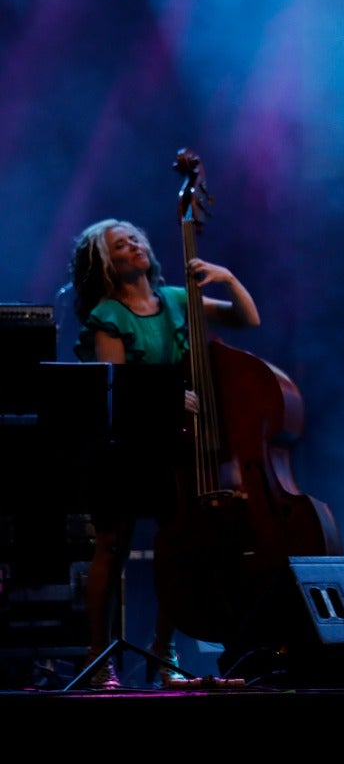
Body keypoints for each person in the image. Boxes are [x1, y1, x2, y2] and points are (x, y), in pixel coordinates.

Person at [66, 218, 260, 689]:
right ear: (106, 263)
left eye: (136, 237)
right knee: (111, 548)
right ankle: (99, 659)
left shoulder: (178, 300)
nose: (133, 244)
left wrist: (228, 278)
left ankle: (165, 651)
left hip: (176, 447)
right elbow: (118, 390)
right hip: (127, 448)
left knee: (180, 548)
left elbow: (248, 320)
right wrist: (169, 398)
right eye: (120, 243)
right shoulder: (109, 316)